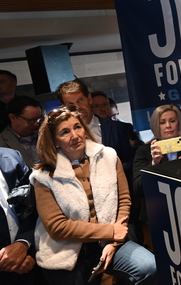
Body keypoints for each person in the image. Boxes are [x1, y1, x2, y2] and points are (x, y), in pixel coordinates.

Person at [30, 107, 157, 284]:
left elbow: (124, 200)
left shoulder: (109, 156)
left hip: (110, 241)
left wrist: (113, 242)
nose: (75, 135)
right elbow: (57, 227)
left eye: (77, 127)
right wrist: (110, 231)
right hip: (68, 250)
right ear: (54, 141)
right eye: (65, 132)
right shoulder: (43, 176)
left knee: (149, 267)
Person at [132, 104, 181, 226]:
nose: (168, 126)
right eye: (162, 122)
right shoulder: (144, 151)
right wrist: (153, 164)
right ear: (155, 125)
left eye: (172, 121)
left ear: (179, 123)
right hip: (156, 216)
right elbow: (137, 188)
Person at [55, 81, 134, 180]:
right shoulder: (60, 136)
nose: (78, 107)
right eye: (71, 104)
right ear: (63, 107)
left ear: (89, 99)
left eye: (80, 100)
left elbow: (129, 161)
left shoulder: (117, 128)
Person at [0, 147, 37, 285]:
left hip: (27, 262)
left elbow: (35, 205)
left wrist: (23, 243)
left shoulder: (12, 156)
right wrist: (8, 261)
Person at [0, 97, 43, 168]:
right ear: (12, 117)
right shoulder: (1, 144)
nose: (36, 124)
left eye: (38, 119)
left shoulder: (46, 135)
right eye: (30, 120)